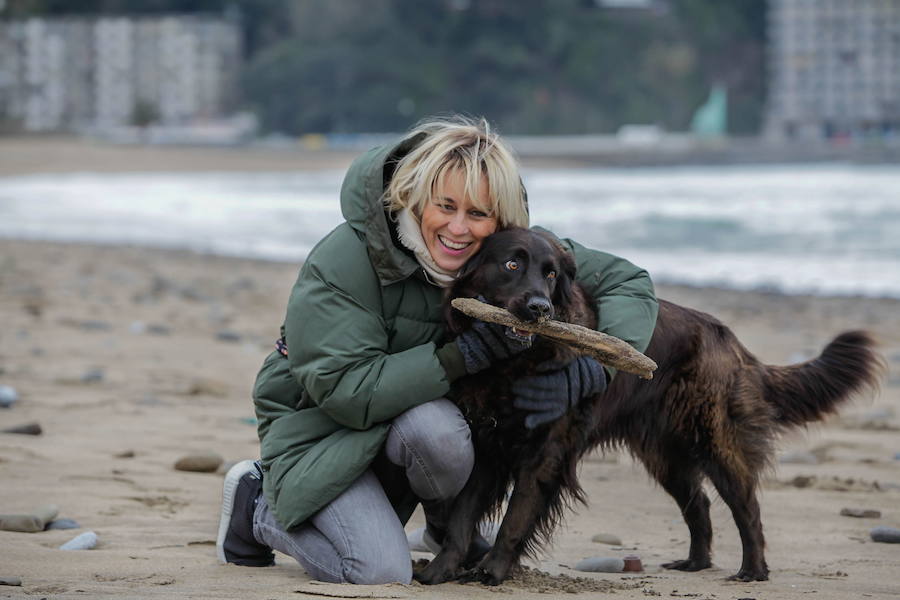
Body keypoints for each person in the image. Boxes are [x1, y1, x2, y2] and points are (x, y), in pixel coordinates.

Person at [215, 115, 659, 584]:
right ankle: (256, 507)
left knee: (440, 431)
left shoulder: (509, 252)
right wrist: (459, 357)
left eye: (478, 213)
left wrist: (597, 369)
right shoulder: (344, 261)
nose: (459, 228)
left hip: (405, 428)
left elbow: (628, 281)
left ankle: (446, 530)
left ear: (500, 219)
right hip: (325, 430)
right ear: (413, 196)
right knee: (376, 569)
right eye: (444, 206)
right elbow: (344, 391)